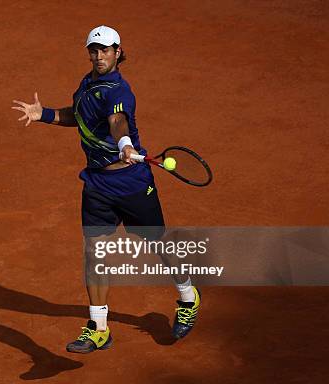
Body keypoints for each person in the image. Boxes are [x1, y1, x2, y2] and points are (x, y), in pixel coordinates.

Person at [12, 25, 201, 354]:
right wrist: (44, 114)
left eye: (105, 50)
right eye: (94, 50)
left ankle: (188, 295)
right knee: (94, 254)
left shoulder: (118, 91)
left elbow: (117, 122)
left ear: (117, 52)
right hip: (97, 183)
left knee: (157, 244)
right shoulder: (88, 83)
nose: (99, 56)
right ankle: (98, 328)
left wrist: (125, 145)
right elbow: (82, 117)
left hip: (130, 183)